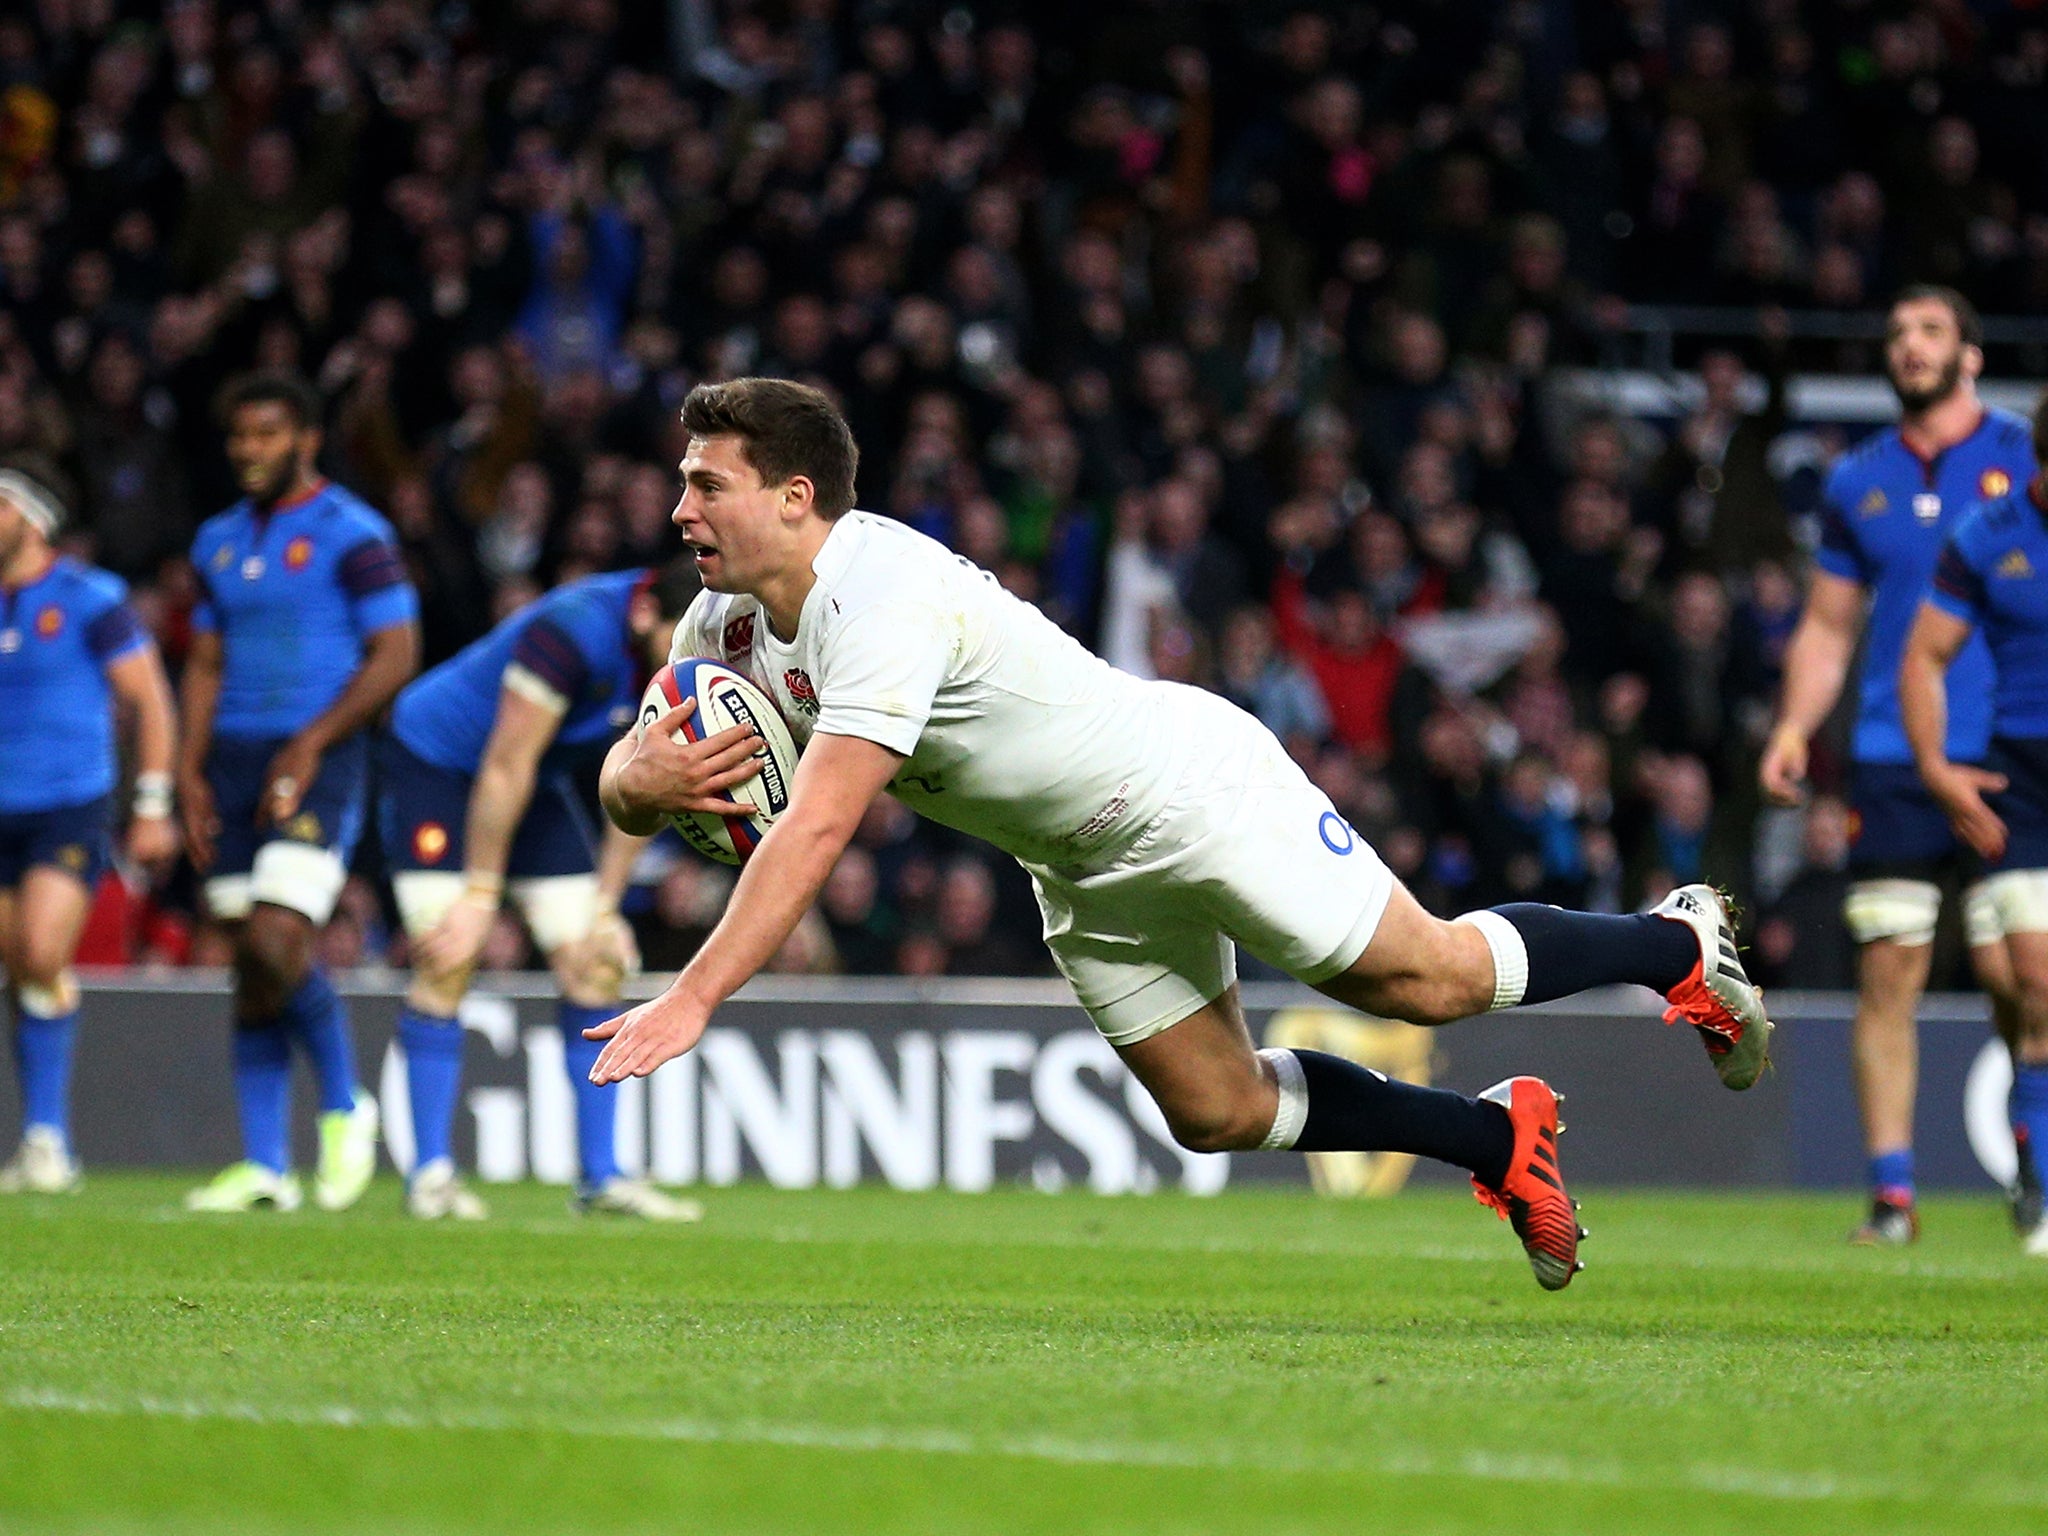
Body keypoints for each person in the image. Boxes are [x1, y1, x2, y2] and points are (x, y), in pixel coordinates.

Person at [590, 379, 1776, 1293]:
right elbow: (633, 769)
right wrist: (636, 785)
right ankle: (1494, 1137)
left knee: (1432, 980)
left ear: (795, 498)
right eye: (683, 483)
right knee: (1214, 1112)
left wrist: (691, 998)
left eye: (706, 483)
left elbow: (817, 827)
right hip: (1078, 864)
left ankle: (1668, 946)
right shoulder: (726, 620)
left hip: (1187, 794)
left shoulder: (878, 596)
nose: (680, 507)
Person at [1758, 286, 2035, 1245]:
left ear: (1970, 354)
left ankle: (2034, 1162)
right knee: (1890, 968)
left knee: (2018, 973)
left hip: (2008, 750)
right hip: (1888, 756)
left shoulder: (2024, 455)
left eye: (1929, 332)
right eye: (1896, 334)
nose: (1909, 348)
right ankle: (1892, 1197)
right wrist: (1797, 725)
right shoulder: (1857, 480)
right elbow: (1830, 627)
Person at [377, 561, 714, 1220]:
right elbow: (504, 765)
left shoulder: (689, 651)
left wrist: (608, 906)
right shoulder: (573, 632)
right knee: (448, 955)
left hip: (533, 781)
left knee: (596, 958)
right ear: (646, 616)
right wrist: (480, 896)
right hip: (440, 768)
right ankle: (431, 1178)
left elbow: (650, 787)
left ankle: (601, 1178)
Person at [178, 374, 420, 1214]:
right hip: (230, 764)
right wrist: (183, 770)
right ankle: (265, 1169)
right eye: (239, 436)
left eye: (267, 434)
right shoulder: (213, 541)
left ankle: (347, 1106)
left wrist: (312, 742)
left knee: (279, 941)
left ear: (305, 439)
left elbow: (394, 652)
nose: (249, 450)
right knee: (249, 962)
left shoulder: (353, 533)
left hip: (321, 756)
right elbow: (205, 662)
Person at [0, 472, 178, 1192]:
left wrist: (153, 802)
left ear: (33, 519)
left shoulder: (89, 598)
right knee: (20, 964)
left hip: (67, 804)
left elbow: (150, 700)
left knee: (41, 952)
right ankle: (38, 1136)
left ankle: (49, 1139)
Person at [1900, 390, 2048, 1252]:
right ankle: (2034, 1161)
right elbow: (1925, 654)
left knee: (2037, 985)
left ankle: (2038, 1185)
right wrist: (1937, 771)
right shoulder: (1988, 536)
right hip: (2019, 778)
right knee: (2021, 981)